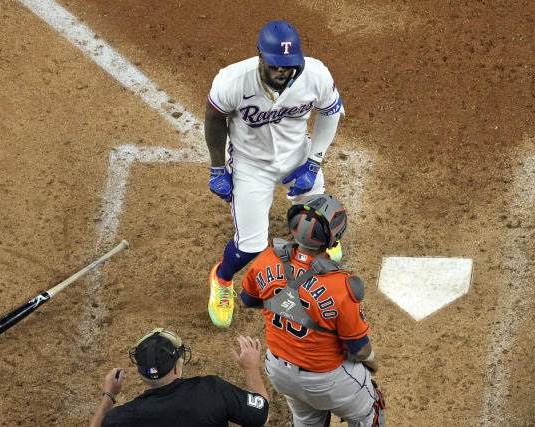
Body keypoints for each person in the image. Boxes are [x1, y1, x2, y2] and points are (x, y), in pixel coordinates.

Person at [205, 20, 345, 328]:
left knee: (322, 215)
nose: (282, 71)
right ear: (260, 57)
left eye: (289, 65)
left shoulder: (315, 75)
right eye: (275, 65)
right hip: (250, 165)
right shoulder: (233, 81)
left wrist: (313, 162)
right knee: (251, 245)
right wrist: (218, 168)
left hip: (296, 155)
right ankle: (221, 279)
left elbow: (331, 111)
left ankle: (322, 242)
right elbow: (214, 119)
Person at [240, 194, 386, 427]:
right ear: (333, 237)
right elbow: (358, 347)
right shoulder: (340, 285)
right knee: (371, 411)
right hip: (327, 379)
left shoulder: (266, 260)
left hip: (279, 371)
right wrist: (373, 363)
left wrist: (285, 308)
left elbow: (249, 300)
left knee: (307, 420)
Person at [89, 328, 269, 427]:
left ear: (139, 371)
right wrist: (251, 368)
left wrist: (109, 395)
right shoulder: (212, 390)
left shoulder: (123, 417)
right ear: (177, 367)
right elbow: (262, 415)